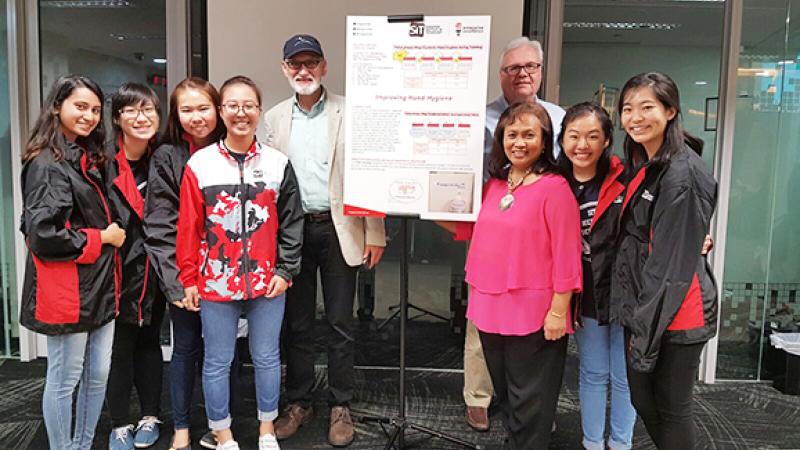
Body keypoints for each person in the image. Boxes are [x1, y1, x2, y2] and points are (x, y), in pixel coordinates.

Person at [264, 34, 386, 447]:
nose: (304, 70)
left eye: (311, 62)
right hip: (291, 232)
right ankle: (300, 402)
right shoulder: (273, 118)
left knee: (339, 323)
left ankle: (340, 404)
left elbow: (369, 173)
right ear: (285, 69)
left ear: (324, 66)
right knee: (296, 324)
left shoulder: (351, 112)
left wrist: (375, 231)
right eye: (295, 64)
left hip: (340, 228)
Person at [440, 102, 582, 449]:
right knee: (506, 397)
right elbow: (467, 228)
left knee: (531, 403)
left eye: (529, 135)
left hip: (535, 313)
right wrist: (418, 202)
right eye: (511, 134)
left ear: (544, 140)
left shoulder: (555, 188)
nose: (519, 142)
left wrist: (558, 311)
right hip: (489, 308)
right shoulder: (495, 185)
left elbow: (568, 255)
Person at [177, 75, 304, 450]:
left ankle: (266, 429)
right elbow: (188, 227)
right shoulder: (200, 164)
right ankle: (223, 434)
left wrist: (286, 270)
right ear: (221, 111)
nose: (241, 112)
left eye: (249, 105)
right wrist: (189, 278)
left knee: (267, 357)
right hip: (215, 280)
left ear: (259, 111)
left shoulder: (278, 163)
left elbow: (292, 222)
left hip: (267, 281)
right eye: (233, 105)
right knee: (217, 360)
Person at [611, 72, 718, 450]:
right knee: (644, 399)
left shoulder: (681, 174)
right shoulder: (647, 160)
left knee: (672, 408)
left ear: (670, 111)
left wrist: (644, 335)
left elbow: (669, 269)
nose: (635, 117)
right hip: (649, 303)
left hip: (677, 309)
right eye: (628, 109)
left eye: (647, 107)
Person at [465, 36, 567, 431]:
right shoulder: (478, 118)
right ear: (501, 74)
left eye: (530, 66)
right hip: (491, 230)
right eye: (513, 68)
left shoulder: (559, 118)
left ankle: (532, 412)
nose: (522, 74)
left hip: (537, 238)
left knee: (531, 340)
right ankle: (480, 397)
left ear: (540, 71)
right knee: (485, 327)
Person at [19, 75, 126, 450]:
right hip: (68, 288)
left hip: (98, 284)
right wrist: (102, 238)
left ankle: (82, 445)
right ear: (56, 106)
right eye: (80, 106)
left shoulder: (84, 156)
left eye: (95, 110)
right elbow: (42, 235)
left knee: (97, 376)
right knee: (65, 379)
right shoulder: (46, 163)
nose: (90, 116)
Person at [144, 77, 227, 450]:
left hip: (225, 273)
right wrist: (176, 283)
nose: (197, 117)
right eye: (187, 109)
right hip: (187, 273)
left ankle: (220, 424)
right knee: (186, 348)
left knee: (223, 353)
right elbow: (159, 225)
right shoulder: (167, 156)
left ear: (217, 109)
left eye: (203, 108)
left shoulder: (232, 148)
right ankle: (181, 426)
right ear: (176, 115)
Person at [556, 102, 636, 450]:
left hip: (624, 290)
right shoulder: (554, 182)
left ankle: (620, 444)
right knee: (592, 372)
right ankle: (592, 442)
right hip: (583, 290)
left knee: (624, 375)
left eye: (592, 136)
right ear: (562, 140)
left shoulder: (626, 178)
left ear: (606, 141)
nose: (582, 145)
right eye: (573, 136)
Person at [105, 83, 166, 450]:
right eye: (132, 110)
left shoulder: (164, 159)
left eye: (148, 110)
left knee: (149, 341)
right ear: (117, 118)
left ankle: (150, 415)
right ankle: (119, 423)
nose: (141, 118)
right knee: (119, 348)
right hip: (116, 272)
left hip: (155, 271)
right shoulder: (102, 164)